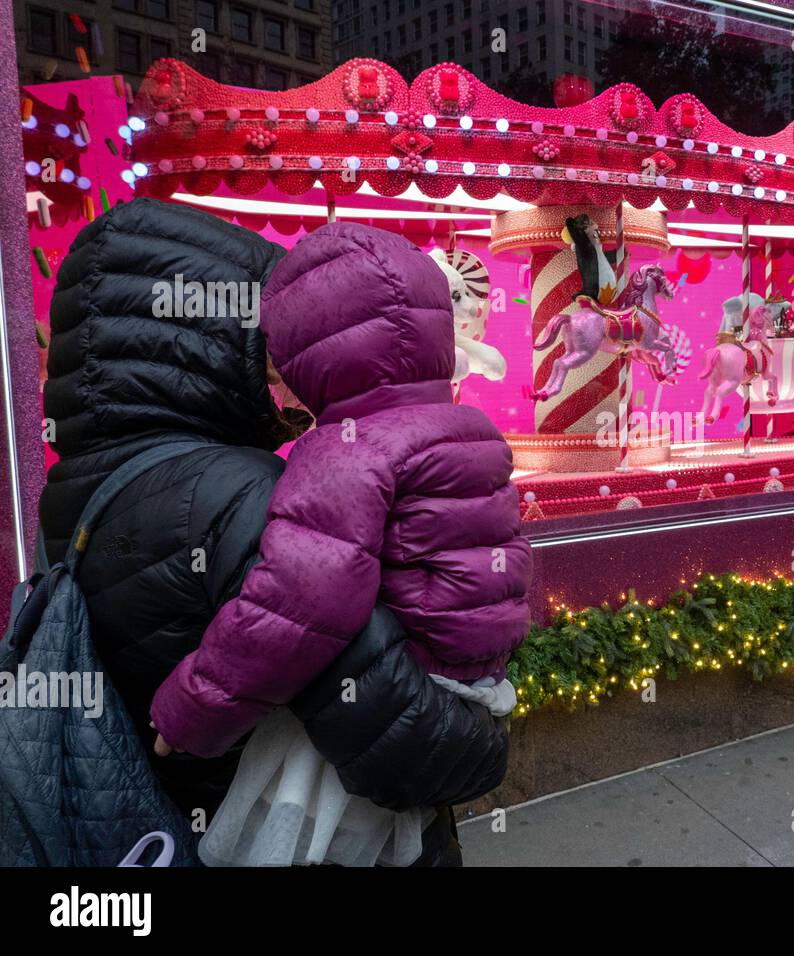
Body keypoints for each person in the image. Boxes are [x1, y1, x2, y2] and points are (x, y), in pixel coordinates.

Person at [39, 199, 503, 866]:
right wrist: (489, 735)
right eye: (275, 343)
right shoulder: (238, 495)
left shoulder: (80, 489)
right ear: (218, 338)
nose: (288, 372)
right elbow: (417, 746)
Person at [148, 221, 532, 866]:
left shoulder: (347, 448)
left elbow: (300, 600)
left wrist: (195, 706)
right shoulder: (470, 426)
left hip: (393, 690)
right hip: (470, 681)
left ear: (309, 352)